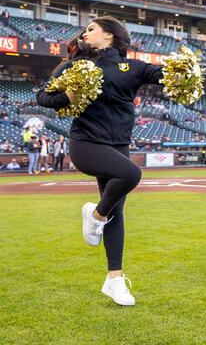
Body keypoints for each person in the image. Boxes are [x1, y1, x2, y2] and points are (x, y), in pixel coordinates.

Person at [36, 16, 165, 306]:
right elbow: (42, 97)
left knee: (116, 213)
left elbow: (164, 75)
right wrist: (66, 96)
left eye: (91, 29)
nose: (85, 32)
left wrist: (183, 73)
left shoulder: (132, 68)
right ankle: (95, 217)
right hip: (86, 143)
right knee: (131, 176)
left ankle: (114, 280)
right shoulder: (77, 67)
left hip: (119, 144)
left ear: (109, 36)